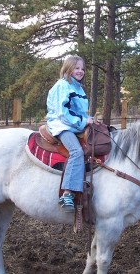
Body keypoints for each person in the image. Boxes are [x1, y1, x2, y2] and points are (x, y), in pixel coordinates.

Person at [46, 55, 93, 213]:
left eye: (82, 68)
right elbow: (63, 113)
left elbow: (80, 112)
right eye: (76, 68)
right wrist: (83, 122)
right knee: (76, 151)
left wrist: (88, 119)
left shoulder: (78, 87)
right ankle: (67, 193)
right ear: (68, 68)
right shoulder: (62, 85)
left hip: (75, 124)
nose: (80, 71)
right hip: (62, 125)